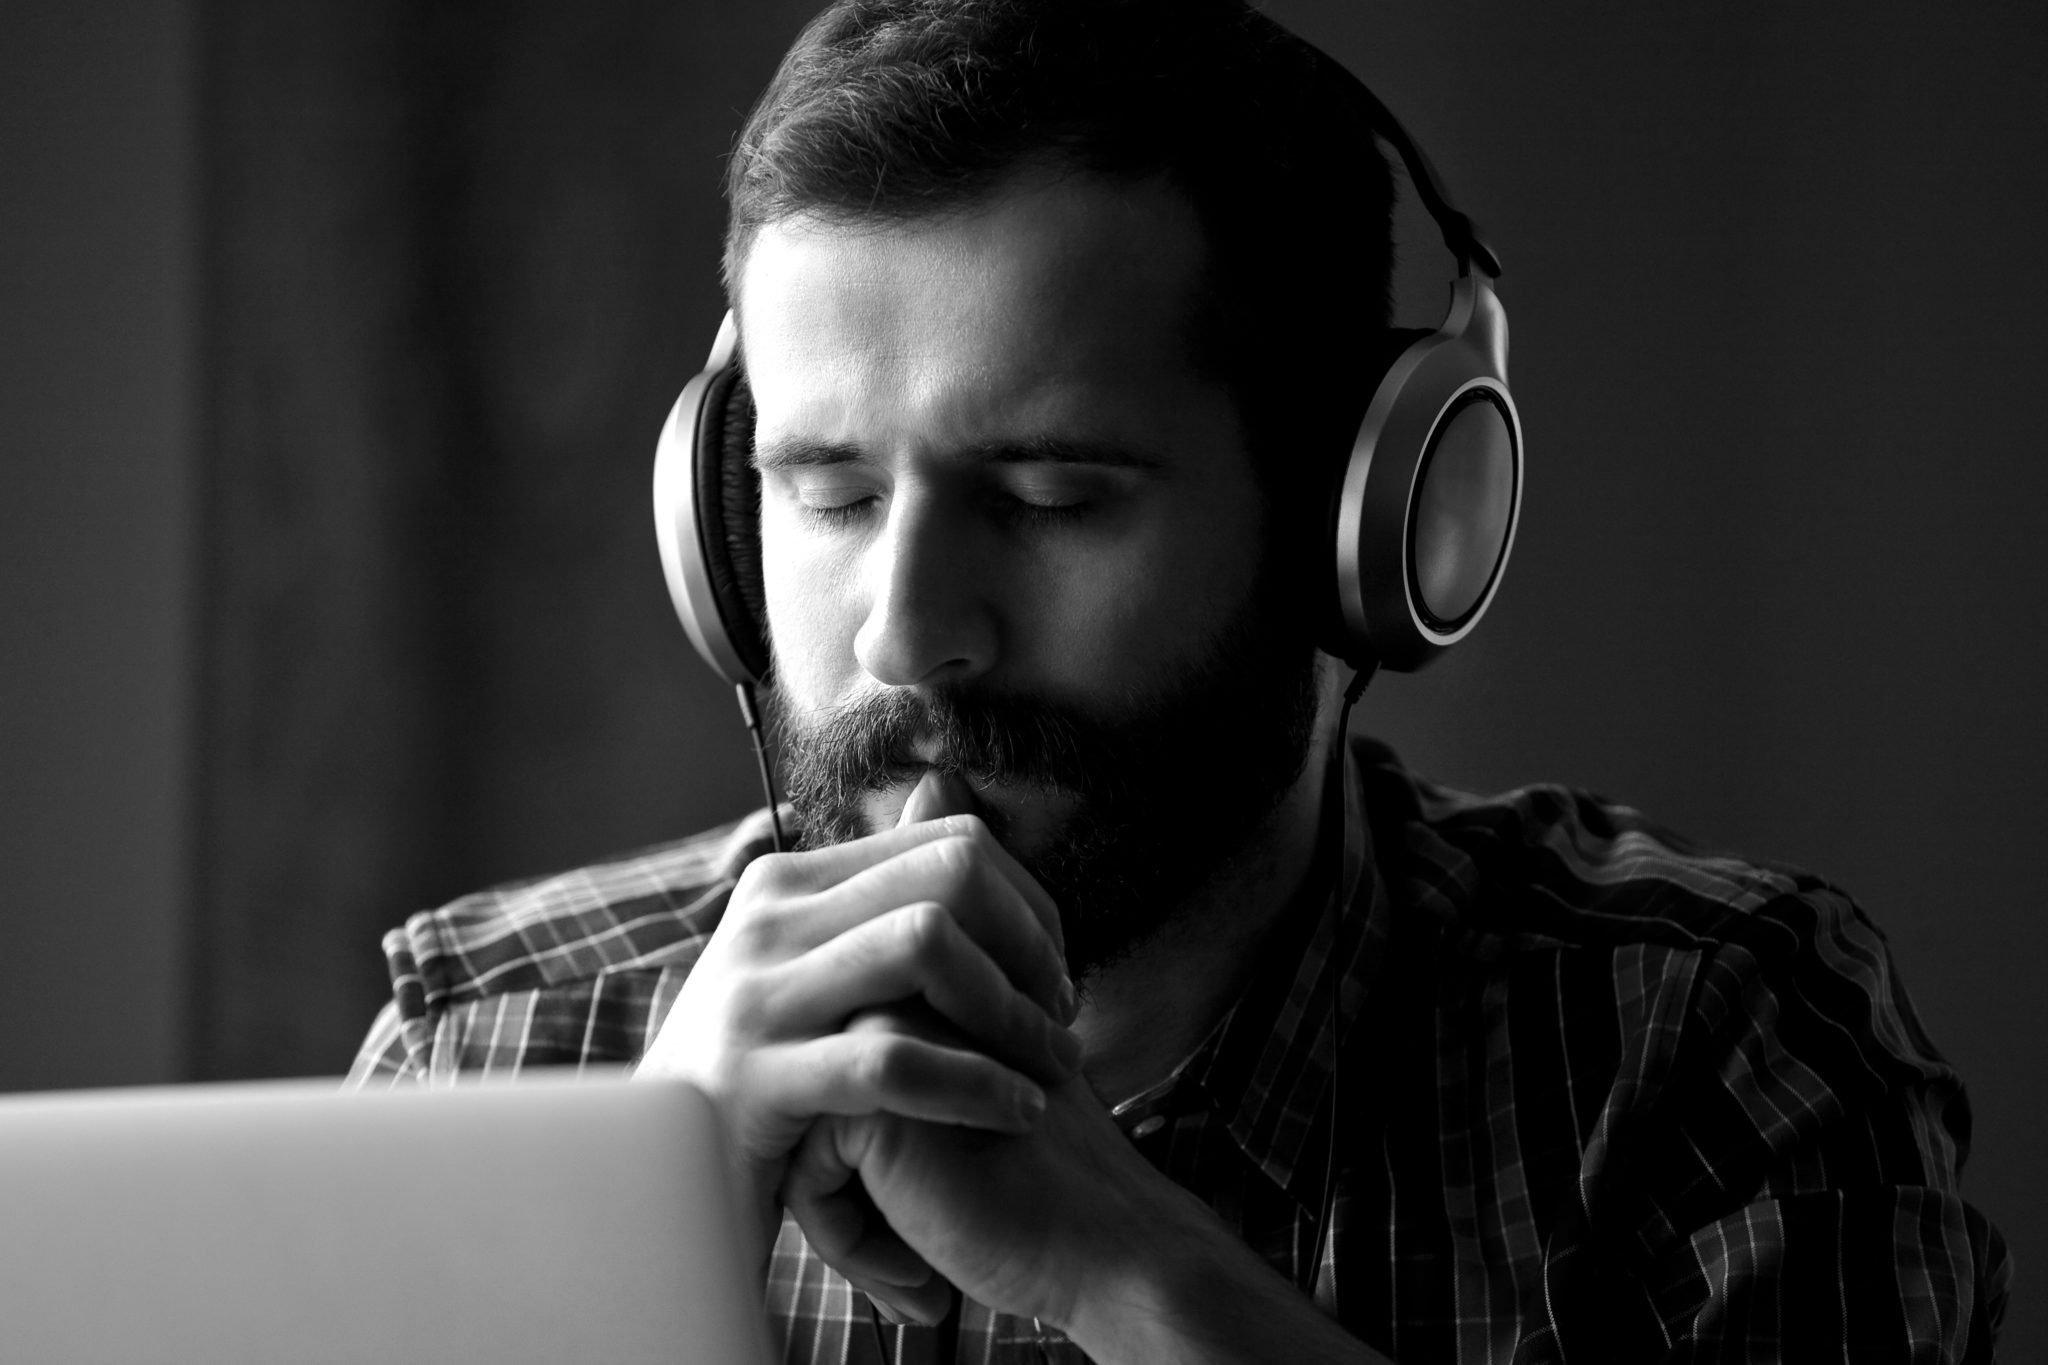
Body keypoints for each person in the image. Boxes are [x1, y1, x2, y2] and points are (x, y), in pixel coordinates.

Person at [347, 1, 2010, 1360]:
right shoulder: (491, 1050)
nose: (907, 630)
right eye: (831, 495)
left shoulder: (1705, 1067)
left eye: (1055, 494)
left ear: (1360, 525)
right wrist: (631, 1235)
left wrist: (1140, 1277)